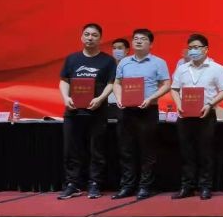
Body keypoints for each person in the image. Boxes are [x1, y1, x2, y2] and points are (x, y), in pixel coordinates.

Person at [56, 23, 116, 200]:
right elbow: (64, 81)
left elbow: (111, 83)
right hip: (73, 112)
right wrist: (65, 98)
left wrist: (100, 98)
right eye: (87, 34)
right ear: (82, 37)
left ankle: (95, 183)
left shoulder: (108, 61)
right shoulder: (72, 59)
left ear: (100, 39)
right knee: (71, 149)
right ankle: (72, 184)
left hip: (97, 111)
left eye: (94, 35)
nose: (90, 38)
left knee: (96, 150)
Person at [169, 34, 223, 200]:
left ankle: (205, 187)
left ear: (205, 49)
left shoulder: (217, 68)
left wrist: (210, 104)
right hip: (184, 115)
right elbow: (174, 88)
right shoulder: (182, 68)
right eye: (190, 48)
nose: (193, 51)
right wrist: (178, 104)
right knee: (186, 152)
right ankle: (187, 187)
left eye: (196, 47)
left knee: (205, 152)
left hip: (206, 114)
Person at [111, 28, 171, 200]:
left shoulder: (158, 62)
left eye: (143, 39)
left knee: (147, 151)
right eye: (136, 38)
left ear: (150, 44)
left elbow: (167, 84)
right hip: (126, 111)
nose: (138, 41)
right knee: (126, 150)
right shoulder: (124, 62)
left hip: (147, 110)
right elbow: (117, 83)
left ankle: (145, 186)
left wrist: (151, 98)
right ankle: (127, 186)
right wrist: (119, 98)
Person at [105, 37, 129, 120]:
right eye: (114, 48)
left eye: (119, 48)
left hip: (125, 105)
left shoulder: (131, 66)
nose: (116, 51)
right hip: (108, 105)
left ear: (127, 50)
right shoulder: (108, 66)